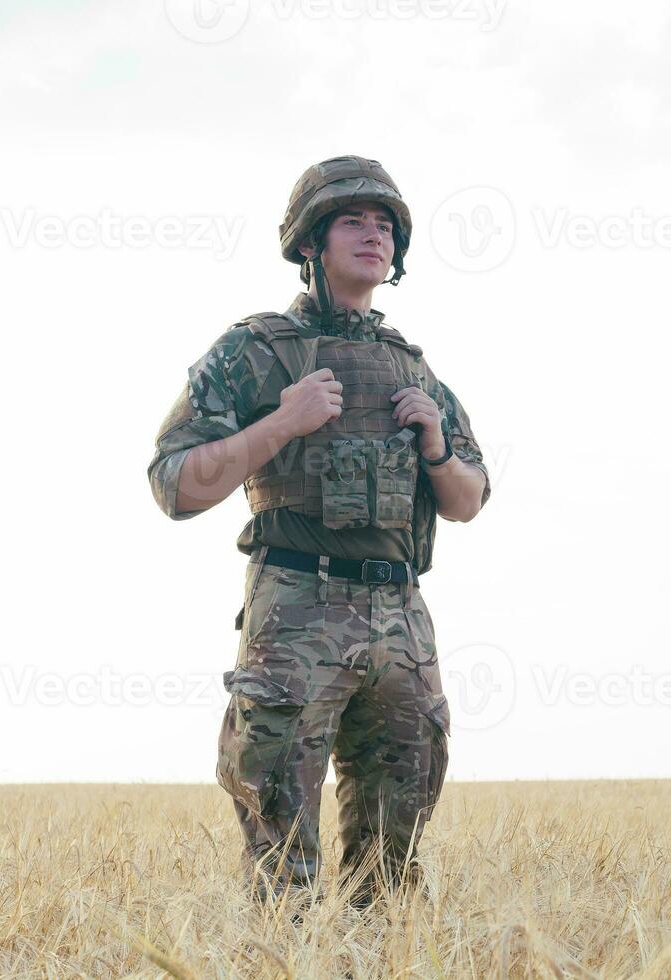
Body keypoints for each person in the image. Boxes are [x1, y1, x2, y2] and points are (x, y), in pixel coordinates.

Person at [145, 155, 491, 917]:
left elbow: (468, 500)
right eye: (352, 221)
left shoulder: (415, 369)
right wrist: (283, 422)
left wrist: (435, 444)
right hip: (297, 607)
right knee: (282, 871)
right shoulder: (254, 354)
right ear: (309, 242)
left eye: (386, 226)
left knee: (390, 876)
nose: (374, 236)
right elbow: (175, 483)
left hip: (402, 621)